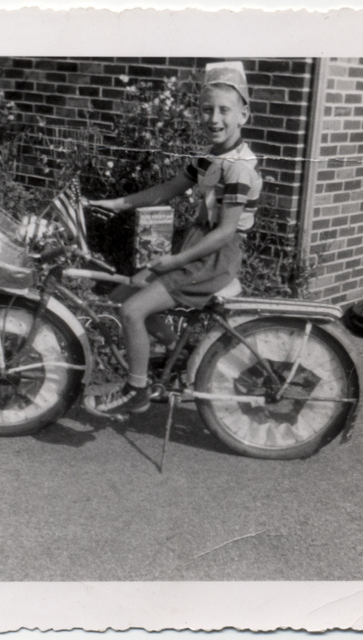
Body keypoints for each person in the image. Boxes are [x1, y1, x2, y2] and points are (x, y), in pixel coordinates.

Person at [85, 60, 262, 416]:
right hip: (199, 250)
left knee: (132, 310)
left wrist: (175, 261)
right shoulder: (212, 158)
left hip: (213, 258)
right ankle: (177, 353)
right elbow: (166, 190)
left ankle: (136, 391)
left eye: (224, 110)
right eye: (206, 109)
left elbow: (226, 231)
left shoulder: (239, 168)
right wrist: (115, 204)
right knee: (126, 292)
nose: (214, 118)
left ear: (243, 114)